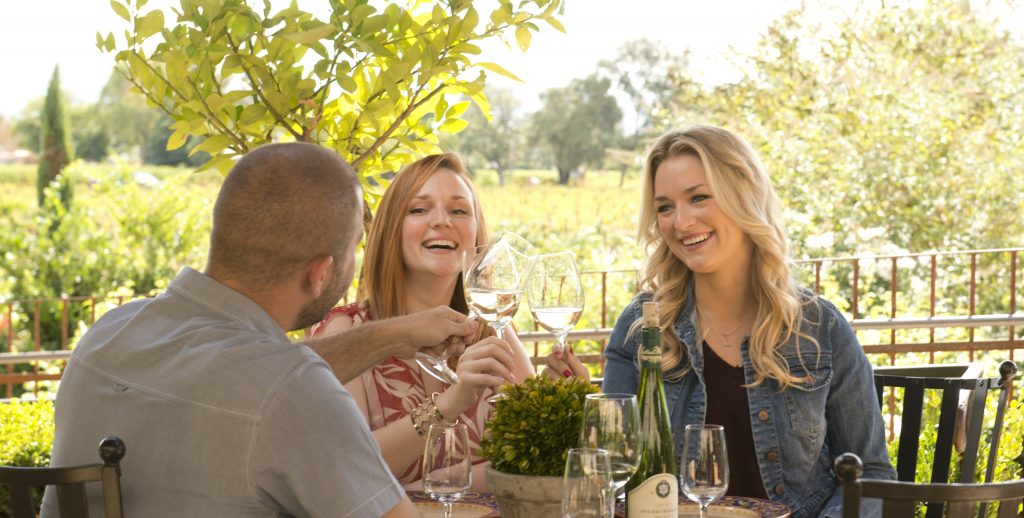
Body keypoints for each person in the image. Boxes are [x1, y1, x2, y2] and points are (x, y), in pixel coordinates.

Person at [42, 143, 479, 517]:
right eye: (351, 253)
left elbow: (241, 376)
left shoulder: (110, 331)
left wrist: (392, 334)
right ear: (320, 274)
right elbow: (280, 385)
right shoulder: (291, 392)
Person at [602, 126, 895, 518]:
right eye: (665, 207)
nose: (681, 221)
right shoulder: (644, 327)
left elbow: (870, 473)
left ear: (744, 196)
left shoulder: (818, 328)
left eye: (699, 197)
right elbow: (612, 470)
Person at [309, 152, 587, 492]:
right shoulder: (347, 332)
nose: (442, 221)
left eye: (459, 210)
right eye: (419, 209)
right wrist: (452, 402)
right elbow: (344, 468)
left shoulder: (493, 328)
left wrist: (557, 402)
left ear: (475, 234)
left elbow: (530, 467)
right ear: (390, 229)